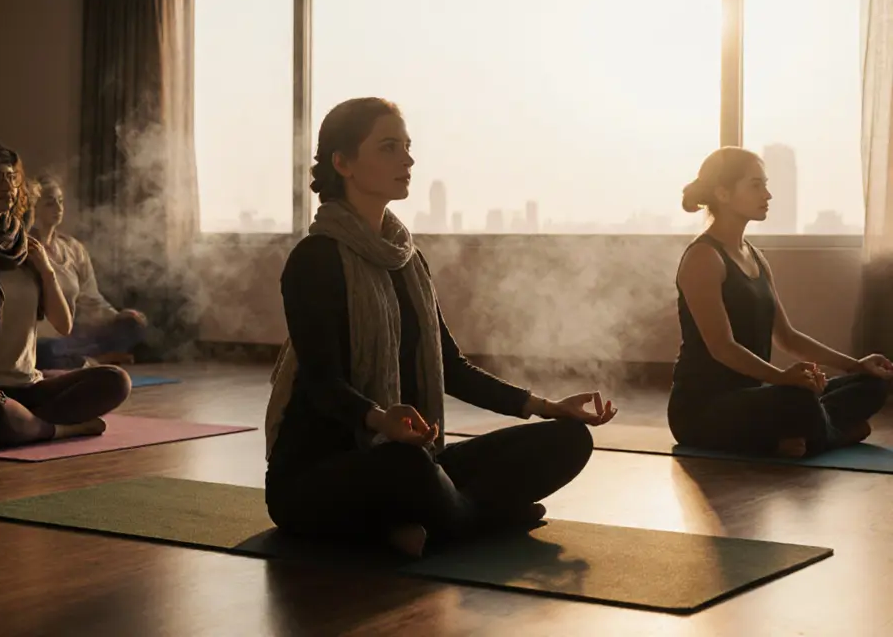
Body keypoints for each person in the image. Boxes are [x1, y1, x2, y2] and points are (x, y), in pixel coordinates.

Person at [264, 98, 616, 558]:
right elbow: (322, 383)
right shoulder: (315, 260)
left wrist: (547, 407)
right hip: (320, 474)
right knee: (405, 465)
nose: (407, 160)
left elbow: (452, 366)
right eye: (389, 147)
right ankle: (478, 517)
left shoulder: (408, 259)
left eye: (407, 147)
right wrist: (380, 419)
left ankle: (433, 520)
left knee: (568, 440)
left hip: (415, 460)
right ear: (342, 163)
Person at [670, 147, 892, 457]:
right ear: (722, 193)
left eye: (766, 184)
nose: (768, 194)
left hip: (756, 397)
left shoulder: (756, 256)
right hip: (704, 409)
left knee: (872, 384)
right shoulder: (703, 258)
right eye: (755, 185)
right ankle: (828, 435)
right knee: (798, 401)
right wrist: (783, 379)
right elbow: (721, 346)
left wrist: (856, 365)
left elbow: (786, 336)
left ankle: (805, 437)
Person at [0, 144, 131, 447]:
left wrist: (46, 270)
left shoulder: (23, 246)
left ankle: (27, 424)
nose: (8, 186)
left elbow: (63, 325)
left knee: (114, 380)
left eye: (11, 178)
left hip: (26, 388)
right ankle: (58, 429)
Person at [27, 173, 147, 369]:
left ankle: (82, 359)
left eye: (60, 201)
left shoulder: (73, 248)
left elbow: (91, 298)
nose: (58, 208)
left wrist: (117, 316)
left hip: (71, 338)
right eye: (50, 203)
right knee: (45, 352)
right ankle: (91, 361)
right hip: (39, 339)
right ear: (32, 207)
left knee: (133, 325)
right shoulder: (24, 248)